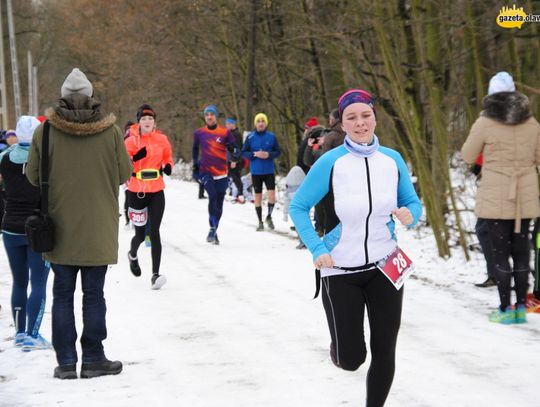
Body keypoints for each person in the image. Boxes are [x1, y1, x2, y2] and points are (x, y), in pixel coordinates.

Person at [289, 89, 422, 407]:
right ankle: (340, 344)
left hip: (385, 267)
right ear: (342, 123)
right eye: (352, 117)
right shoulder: (330, 163)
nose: (360, 123)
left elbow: (412, 203)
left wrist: (410, 215)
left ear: (375, 117)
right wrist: (317, 248)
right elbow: (298, 206)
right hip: (340, 269)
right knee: (351, 359)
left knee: (385, 349)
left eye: (366, 115)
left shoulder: (392, 160)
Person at [27, 68, 132, 379]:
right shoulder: (111, 132)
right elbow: (124, 174)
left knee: (62, 294)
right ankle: (94, 357)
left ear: (62, 98)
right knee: (94, 294)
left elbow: (33, 176)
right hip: (99, 226)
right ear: (90, 97)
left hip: (58, 228)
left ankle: (67, 361)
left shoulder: (44, 132)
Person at [461, 71, 540, 324]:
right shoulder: (532, 123)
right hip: (525, 195)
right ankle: (519, 309)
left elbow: (467, 155)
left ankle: (506, 308)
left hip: (496, 194)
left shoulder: (484, 123)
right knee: (521, 251)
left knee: (499, 252)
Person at [0, 116, 51, 351]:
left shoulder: (4, 157)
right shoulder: (45, 159)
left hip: (10, 226)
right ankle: (32, 334)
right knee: (38, 282)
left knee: (19, 282)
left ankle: (20, 333)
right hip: (37, 228)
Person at [125, 104, 173, 289]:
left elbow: (168, 157)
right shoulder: (130, 142)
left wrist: (169, 166)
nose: (147, 121)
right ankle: (132, 255)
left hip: (157, 190)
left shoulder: (162, 139)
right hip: (137, 190)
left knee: (154, 232)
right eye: (144, 119)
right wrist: (136, 158)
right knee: (139, 233)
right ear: (139, 121)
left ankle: (155, 275)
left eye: (150, 119)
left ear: (154, 122)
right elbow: (122, 163)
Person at [192, 104, 239, 244]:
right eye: (206, 115)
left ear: (216, 116)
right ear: (204, 117)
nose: (209, 117)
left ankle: (214, 230)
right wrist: (195, 166)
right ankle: (212, 228)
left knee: (219, 204)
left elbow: (236, 149)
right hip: (206, 172)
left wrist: (234, 151)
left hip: (222, 173)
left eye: (211, 114)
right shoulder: (199, 133)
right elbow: (195, 149)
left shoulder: (225, 133)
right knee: (211, 197)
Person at [242, 113, 281, 231]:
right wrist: (254, 154)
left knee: (271, 196)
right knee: (257, 196)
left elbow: (278, 151)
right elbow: (243, 152)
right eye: (258, 121)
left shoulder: (272, 136)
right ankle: (260, 221)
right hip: (256, 171)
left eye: (262, 121)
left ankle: (269, 216)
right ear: (255, 123)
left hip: (269, 171)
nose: (260, 123)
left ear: (266, 123)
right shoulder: (250, 137)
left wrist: (269, 154)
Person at [225, 116, 245, 203]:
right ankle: (231, 193)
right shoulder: (230, 133)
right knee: (229, 176)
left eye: (228, 124)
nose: (227, 126)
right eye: (226, 124)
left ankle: (240, 194)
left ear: (233, 124)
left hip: (235, 160)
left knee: (235, 177)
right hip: (229, 159)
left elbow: (238, 149)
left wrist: (234, 160)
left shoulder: (236, 134)